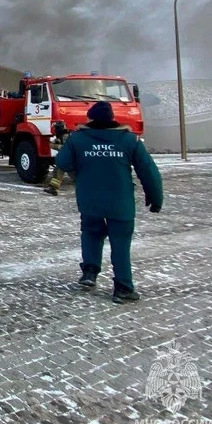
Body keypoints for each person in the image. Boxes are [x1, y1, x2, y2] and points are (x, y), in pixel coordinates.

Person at [54, 101, 163, 304]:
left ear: (91, 118)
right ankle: (123, 287)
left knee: (90, 233)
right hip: (119, 202)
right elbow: (149, 171)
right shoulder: (129, 140)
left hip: (89, 200)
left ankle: (89, 272)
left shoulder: (78, 139)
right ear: (112, 118)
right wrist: (155, 198)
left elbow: (62, 162)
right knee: (120, 242)